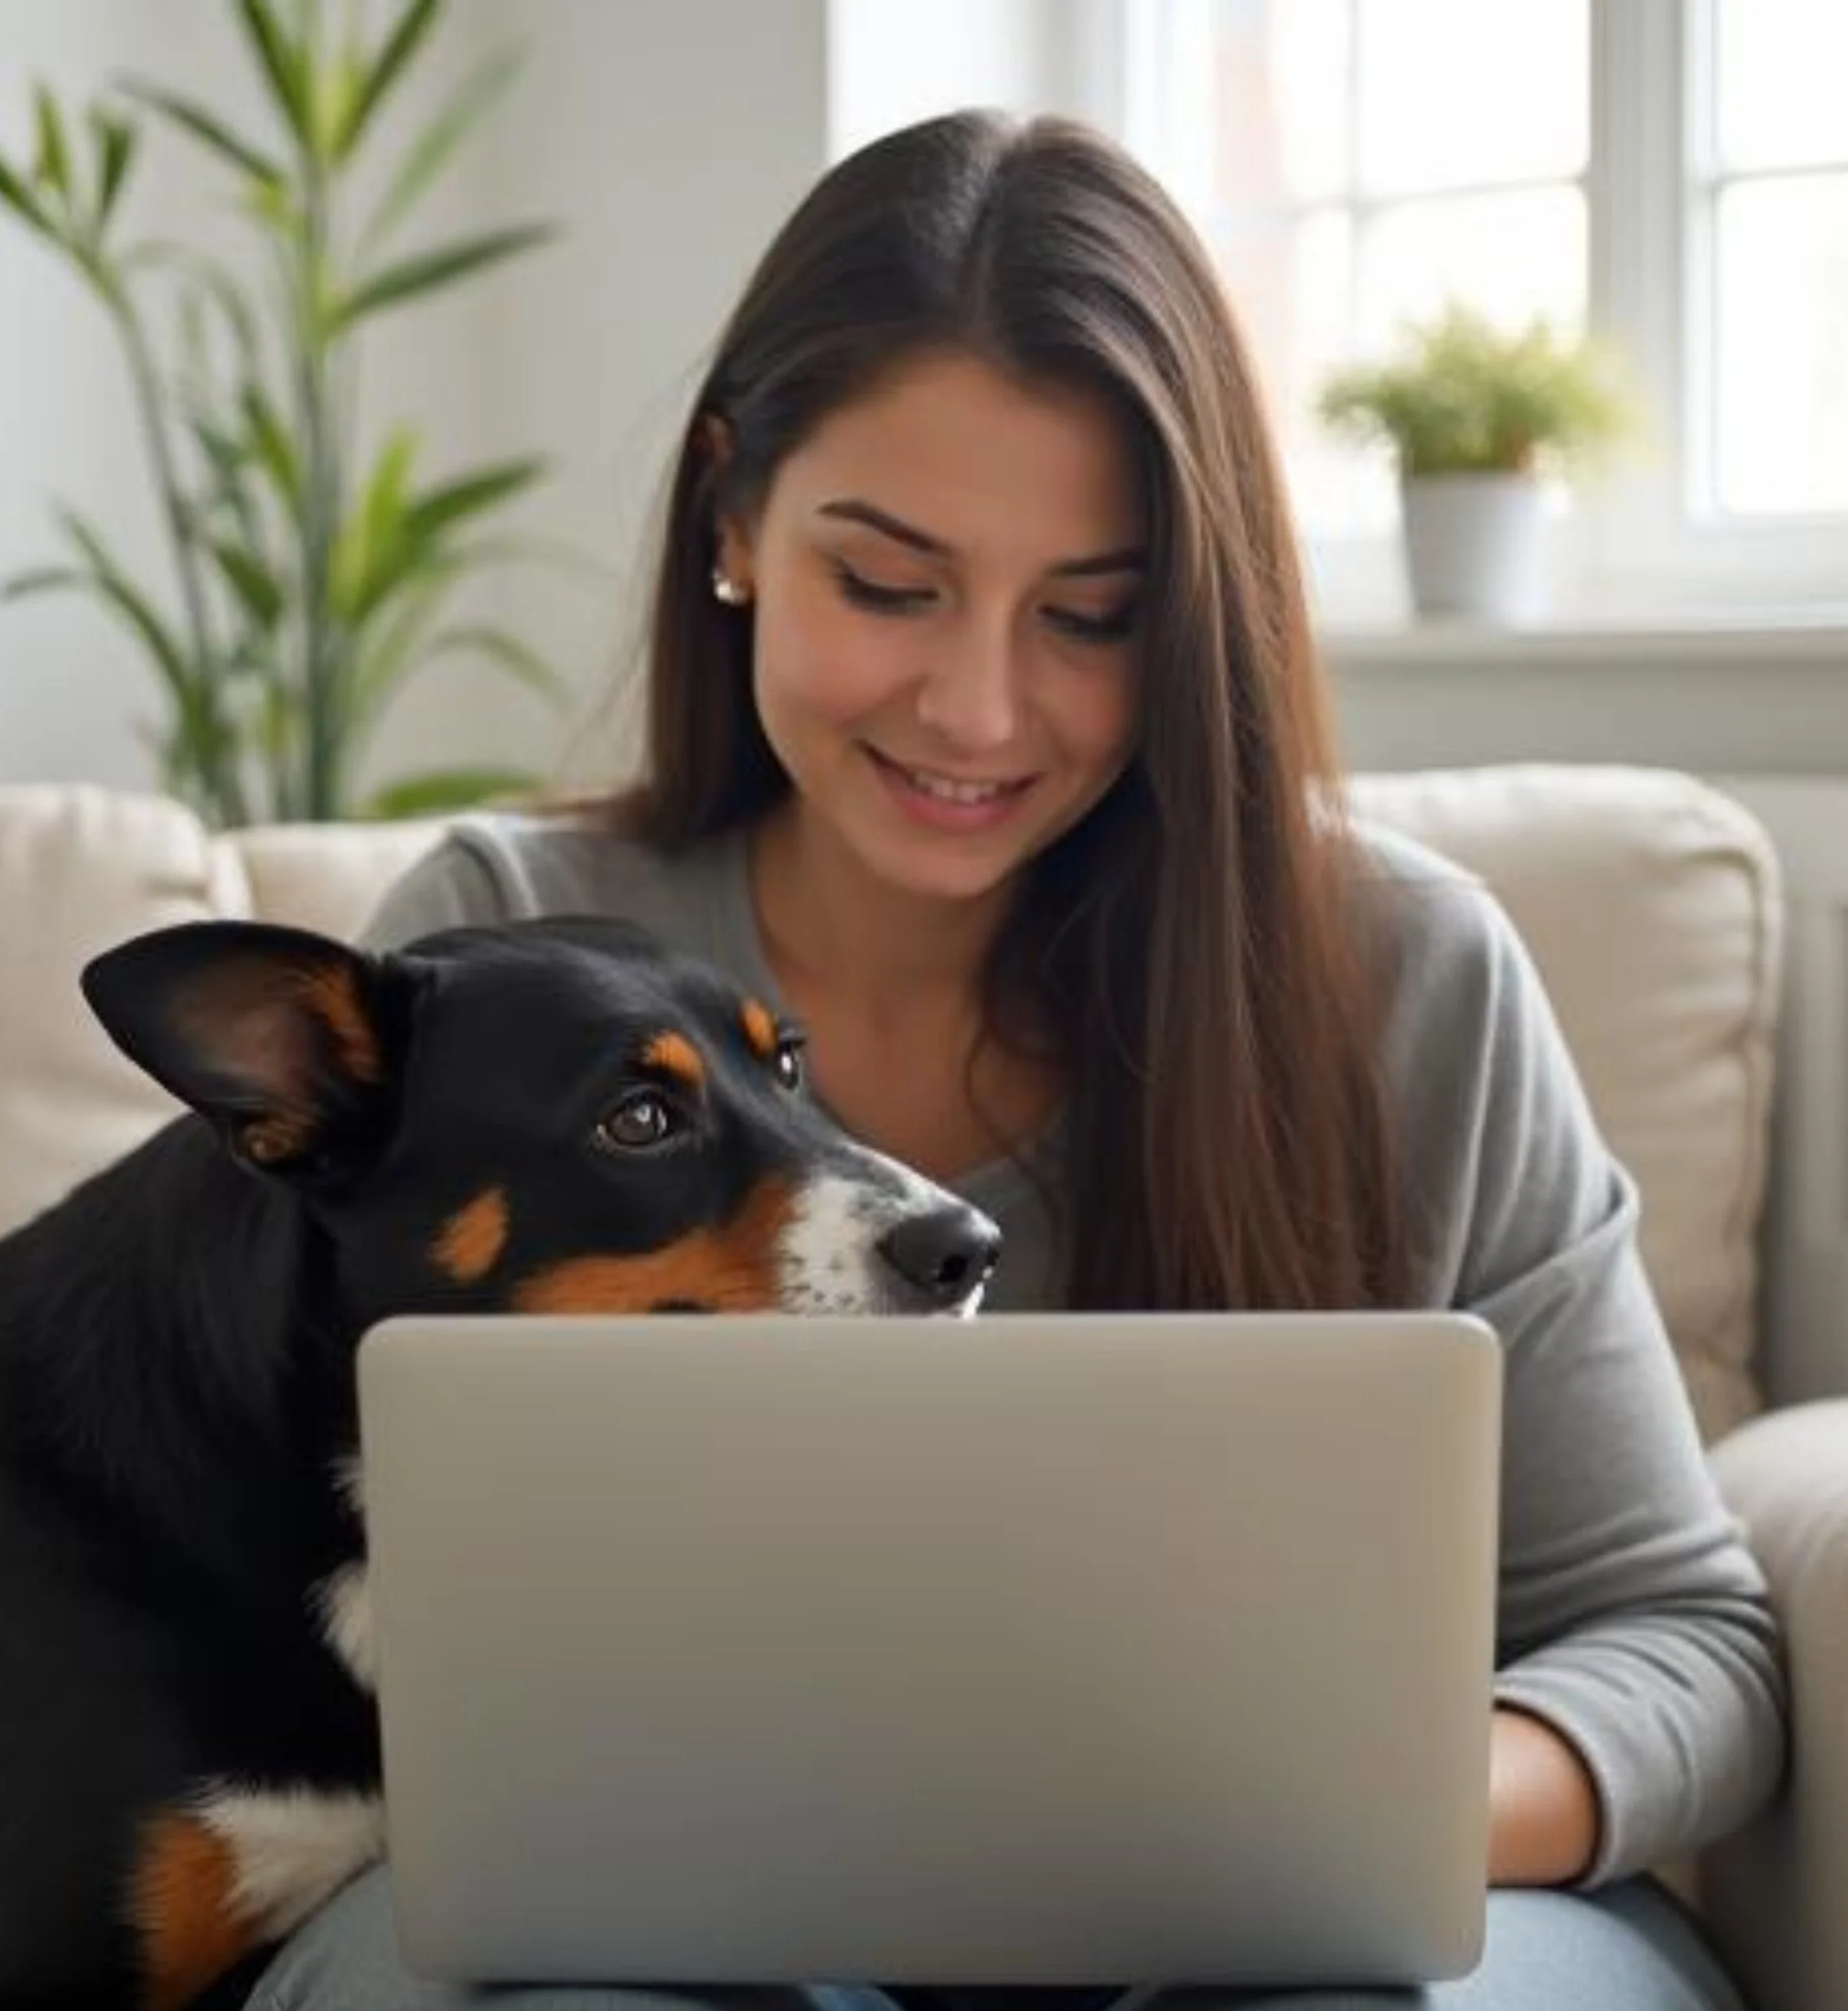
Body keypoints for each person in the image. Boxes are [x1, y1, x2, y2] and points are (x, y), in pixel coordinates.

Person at [246, 109, 1784, 2011]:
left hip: (1306, 1928)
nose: (977, 707)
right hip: (661, 1924)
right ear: (729, 517)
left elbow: (1681, 1639)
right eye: (886, 583)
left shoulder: (1406, 976)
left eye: (1092, 616)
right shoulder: (494, 945)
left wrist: (1335, 1822)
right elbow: (237, 1544)